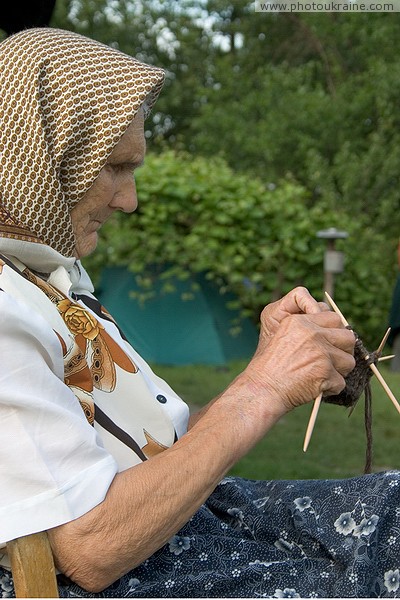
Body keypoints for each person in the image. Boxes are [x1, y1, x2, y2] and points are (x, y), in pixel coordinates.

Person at [0, 27, 398, 599]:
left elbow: (160, 452)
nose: (128, 199)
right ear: (36, 156)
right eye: (115, 165)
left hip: (178, 531)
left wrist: (265, 371)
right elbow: (88, 549)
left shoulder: (40, 275)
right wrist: (262, 389)